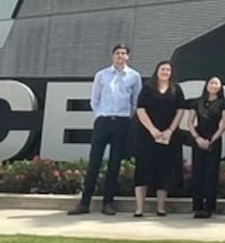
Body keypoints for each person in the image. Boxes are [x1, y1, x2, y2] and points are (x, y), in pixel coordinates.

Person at [71, 43, 142, 216]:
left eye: (123, 53)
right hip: (103, 121)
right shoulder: (101, 75)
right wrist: (100, 115)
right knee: (94, 161)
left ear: (128, 57)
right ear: (113, 56)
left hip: (122, 122)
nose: (120, 56)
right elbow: (94, 99)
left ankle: (108, 203)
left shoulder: (134, 76)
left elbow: (136, 101)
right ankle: (84, 203)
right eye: (117, 53)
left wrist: (127, 116)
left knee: (114, 164)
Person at [133, 61, 185, 218]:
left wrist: (169, 131)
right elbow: (140, 110)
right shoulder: (148, 88)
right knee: (143, 171)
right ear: (157, 71)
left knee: (164, 171)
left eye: (168, 69)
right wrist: (153, 130)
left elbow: (180, 111)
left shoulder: (176, 89)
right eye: (162, 69)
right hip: (147, 136)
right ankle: (139, 209)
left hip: (168, 137)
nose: (165, 72)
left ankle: (161, 208)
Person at [188, 75, 225, 219]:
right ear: (206, 85)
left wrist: (212, 139)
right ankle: (197, 206)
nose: (213, 85)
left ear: (220, 87)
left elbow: (224, 123)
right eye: (211, 83)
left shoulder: (223, 103)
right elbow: (190, 122)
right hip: (198, 139)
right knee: (198, 172)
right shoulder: (197, 102)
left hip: (214, 139)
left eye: (216, 83)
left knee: (211, 173)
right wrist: (197, 138)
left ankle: (209, 207)